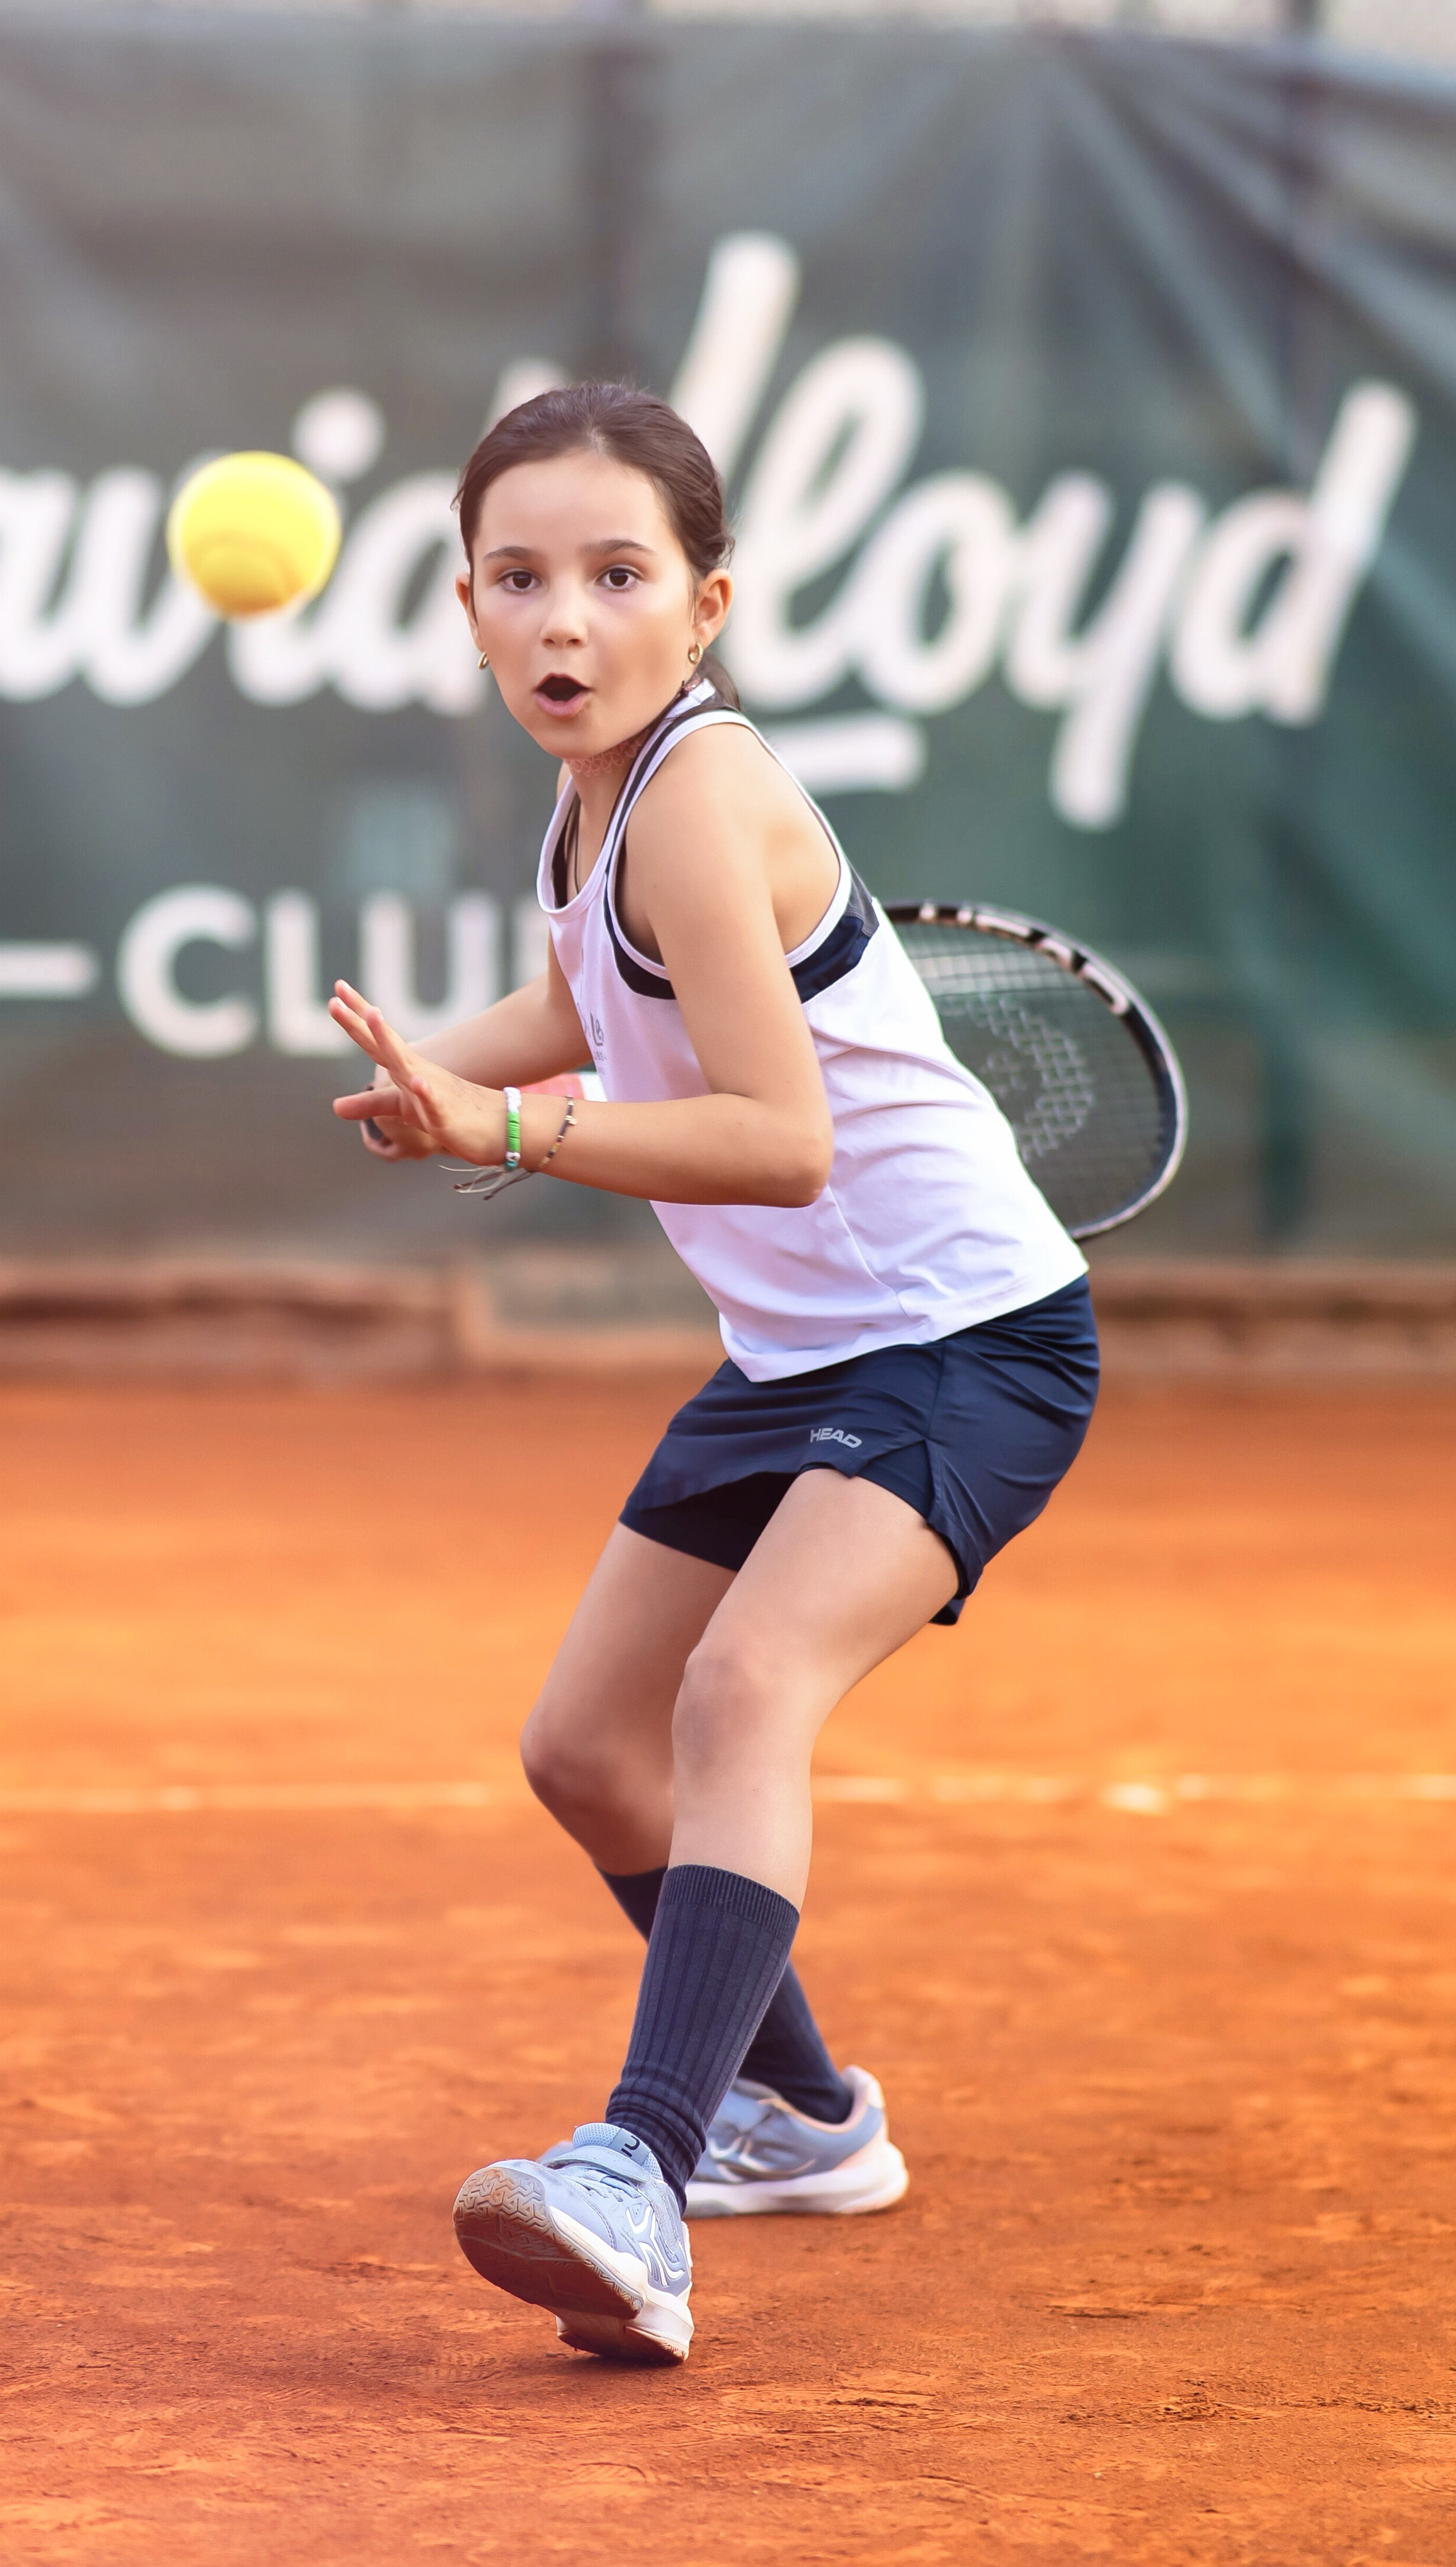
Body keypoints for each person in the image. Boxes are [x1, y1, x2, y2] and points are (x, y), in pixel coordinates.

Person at [327, 385, 1100, 2365]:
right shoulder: (594, 801)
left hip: (968, 1346)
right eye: (518, 579)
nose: (560, 619)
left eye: (613, 574)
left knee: (742, 1686)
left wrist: (507, 1141)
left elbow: (780, 1139)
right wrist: (448, 1072)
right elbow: (596, 996)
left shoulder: (695, 792)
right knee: (587, 1751)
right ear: (467, 605)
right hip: (802, 1356)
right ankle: (807, 2116)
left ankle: (641, 2174)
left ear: (706, 605)